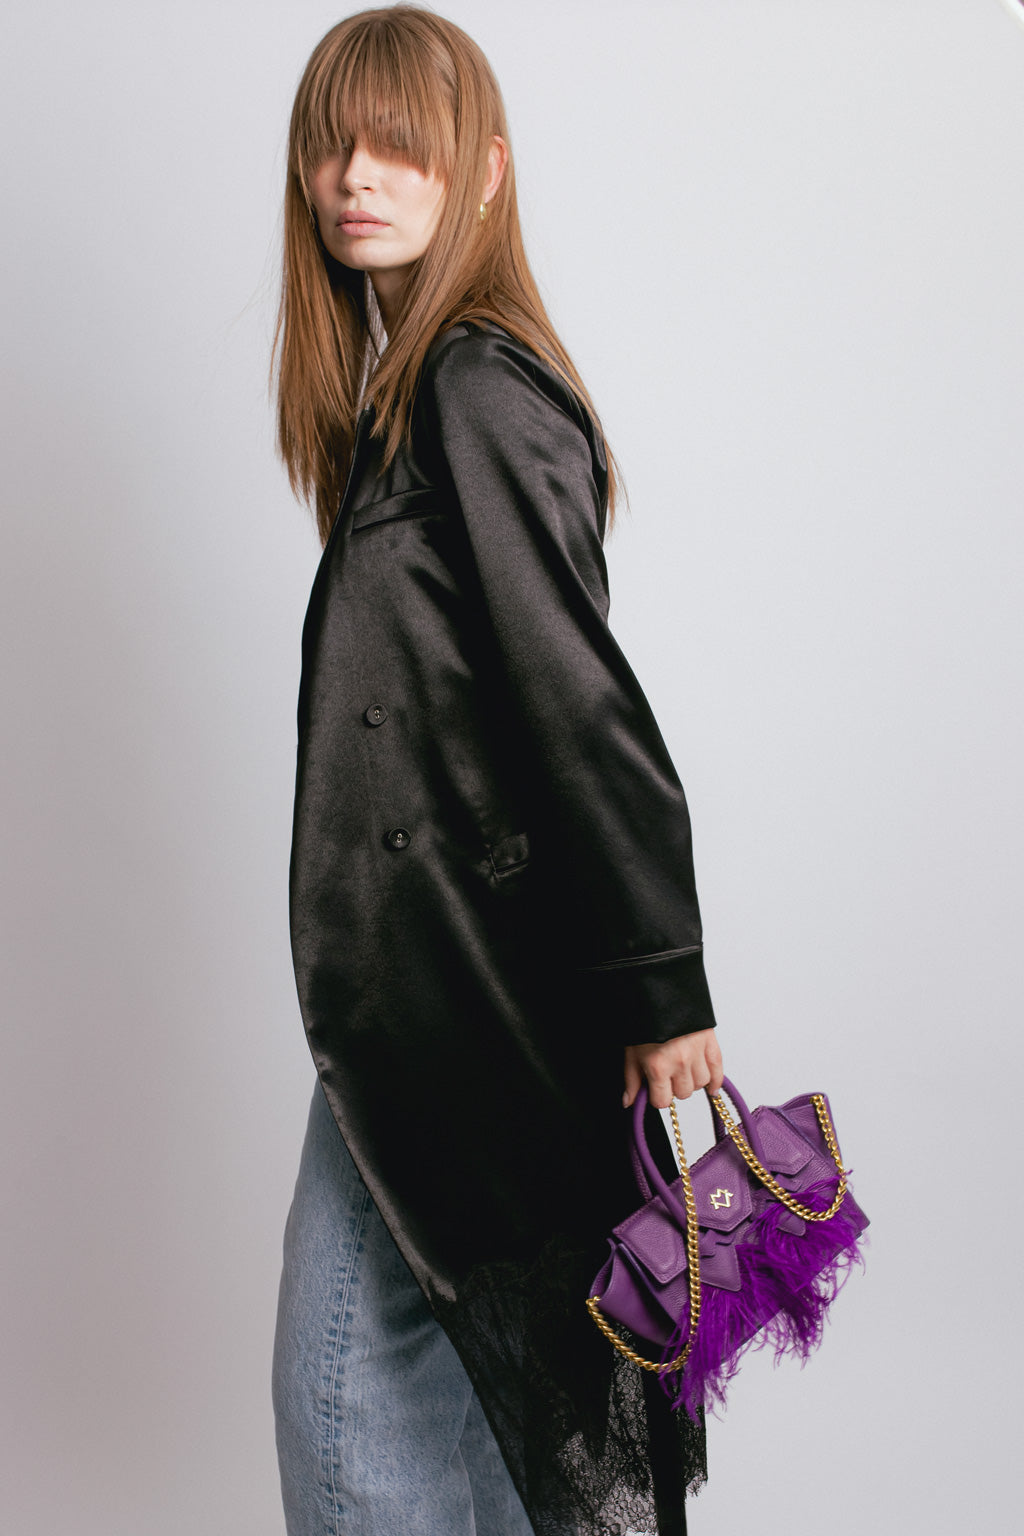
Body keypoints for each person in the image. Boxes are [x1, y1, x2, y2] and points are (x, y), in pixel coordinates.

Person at [271, 9, 724, 1535]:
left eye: (400, 143)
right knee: (475, 1396)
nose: (358, 175)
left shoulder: (475, 384)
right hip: (436, 984)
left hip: (466, 994)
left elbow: (581, 699)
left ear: (482, 174)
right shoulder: (412, 396)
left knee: (346, 1384)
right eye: (334, 143)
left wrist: (662, 984)